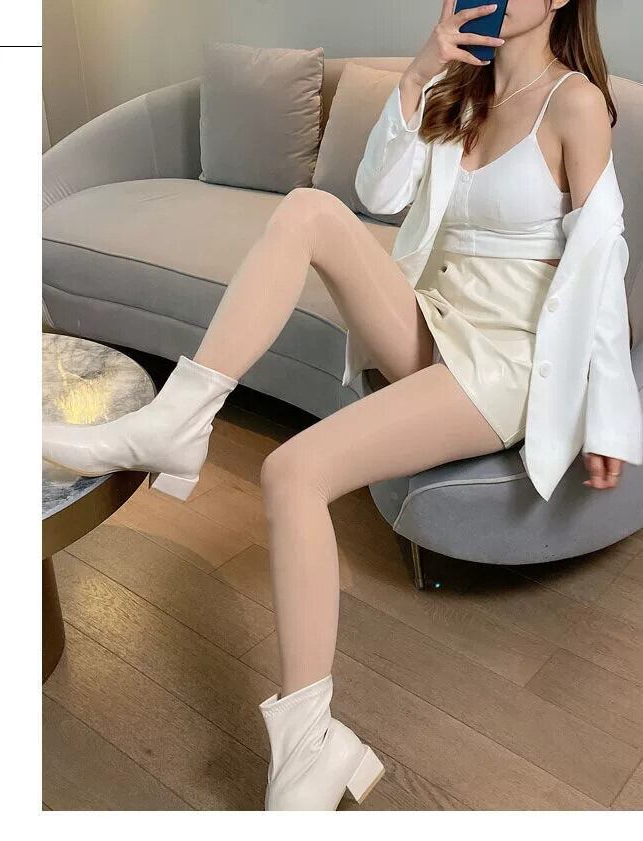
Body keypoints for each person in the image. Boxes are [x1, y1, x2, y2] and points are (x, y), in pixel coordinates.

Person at [43, 0, 638, 810]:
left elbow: (603, 262)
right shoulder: (462, 90)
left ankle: (308, 745)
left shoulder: (576, 103)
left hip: (507, 360)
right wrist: (421, 71)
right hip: (435, 317)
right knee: (309, 210)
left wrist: (609, 416)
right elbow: (375, 191)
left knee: (291, 471)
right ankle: (179, 418)